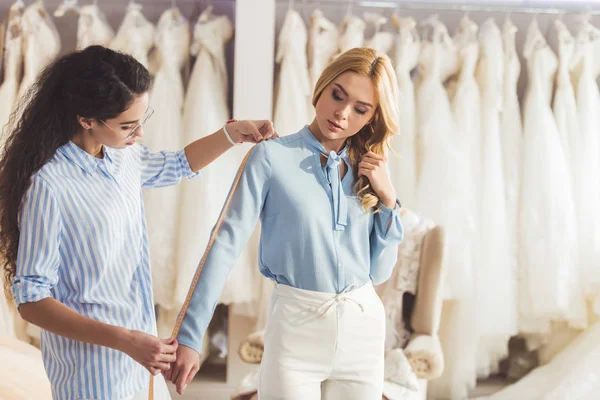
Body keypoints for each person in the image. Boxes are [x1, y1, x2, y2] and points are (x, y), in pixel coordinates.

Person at [0, 45, 276, 400]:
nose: (139, 134)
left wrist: (233, 134)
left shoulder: (121, 156)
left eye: (141, 121)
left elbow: (177, 164)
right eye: (128, 126)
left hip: (141, 361)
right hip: (93, 373)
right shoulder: (49, 187)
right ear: (87, 120)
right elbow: (31, 301)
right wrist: (126, 341)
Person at [168, 47, 405, 399]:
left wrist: (388, 201)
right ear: (321, 88)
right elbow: (224, 243)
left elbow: (379, 272)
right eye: (337, 95)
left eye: (360, 108)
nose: (341, 113)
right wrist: (189, 335)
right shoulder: (270, 157)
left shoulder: (370, 169)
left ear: (372, 117)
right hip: (296, 331)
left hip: (363, 332)